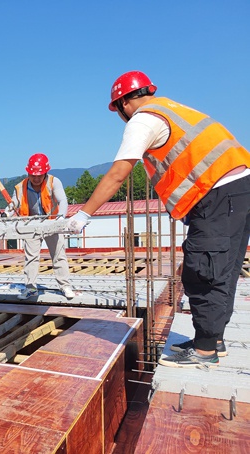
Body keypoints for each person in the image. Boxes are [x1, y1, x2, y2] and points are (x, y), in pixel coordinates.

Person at [67, 71, 250, 368]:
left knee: (202, 270)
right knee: (223, 268)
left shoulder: (142, 119)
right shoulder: (173, 108)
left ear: (124, 102)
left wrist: (85, 213)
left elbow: (118, 173)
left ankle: (204, 350)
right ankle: (213, 339)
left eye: (118, 109)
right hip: (237, 189)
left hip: (216, 193)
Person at [5, 153, 74, 299]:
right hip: (31, 225)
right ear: (28, 173)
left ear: (45, 173)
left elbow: (63, 201)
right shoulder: (20, 187)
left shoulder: (54, 182)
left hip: (52, 223)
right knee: (31, 257)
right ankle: (30, 288)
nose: (36, 179)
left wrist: (60, 219)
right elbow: (13, 204)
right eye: (33, 175)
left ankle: (65, 285)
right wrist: (6, 214)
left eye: (39, 175)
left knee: (58, 255)